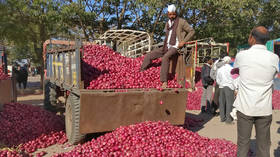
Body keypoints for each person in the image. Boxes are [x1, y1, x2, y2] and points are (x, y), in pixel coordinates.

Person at [233, 26, 279, 157]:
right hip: (264, 109)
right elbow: (274, 76)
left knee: (243, 144)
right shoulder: (274, 58)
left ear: (252, 38)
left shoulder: (241, 56)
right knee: (264, 146)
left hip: (245, 107)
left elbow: (236, 73)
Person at [141, 4, 195, 88]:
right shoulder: (167, 23)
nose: (172, 16)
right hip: (166, 46)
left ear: (176, 13)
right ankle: (142, 71)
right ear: (167, 14)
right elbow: (167, 36)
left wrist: (183, 41)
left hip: (176, 46)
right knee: (149, 55)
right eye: (170, 14)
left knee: (165, 57)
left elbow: (192, 31)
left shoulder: (181, 22)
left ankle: (164, 81)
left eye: (173, 14)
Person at [216, 56, 235, 124]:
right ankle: (228, 119)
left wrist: (221, 84)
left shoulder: (220, 69)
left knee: (222, 103)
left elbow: (217, 79)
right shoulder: (231, 68)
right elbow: (234, 79)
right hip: (229, 86)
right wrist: (235, 87)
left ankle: (222, 118)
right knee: (229, 103)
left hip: (221, 87)